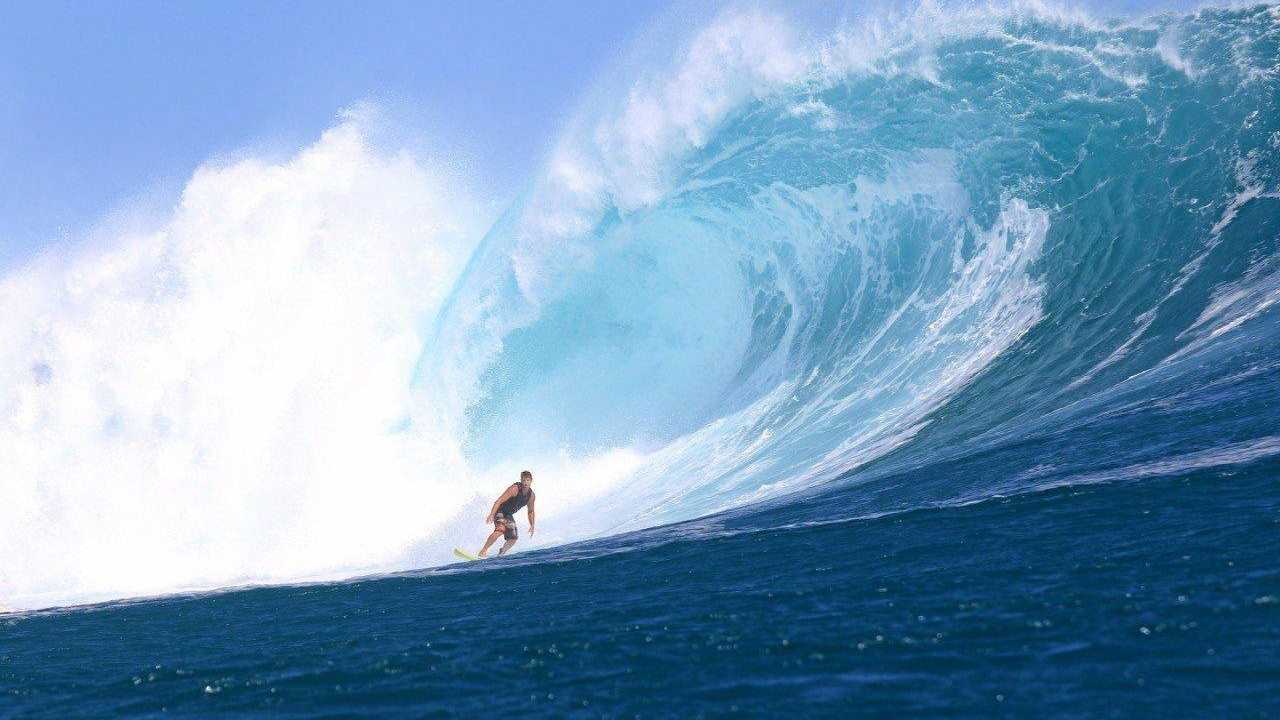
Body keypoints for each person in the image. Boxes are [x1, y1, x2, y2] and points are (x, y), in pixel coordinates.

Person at [478, 470, 536, 557]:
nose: (525, 482)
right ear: (521, 480)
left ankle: (501, 553)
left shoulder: (531, 496)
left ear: (531, 481)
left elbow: (531, 511)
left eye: (528, 480)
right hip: (500, 511)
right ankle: (483, 551)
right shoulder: (514, 489)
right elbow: (499, 500)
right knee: (500, 530)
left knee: (513, 538)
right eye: (523, 480)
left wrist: (532, 525)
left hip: (508, 515)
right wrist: (492, 514)